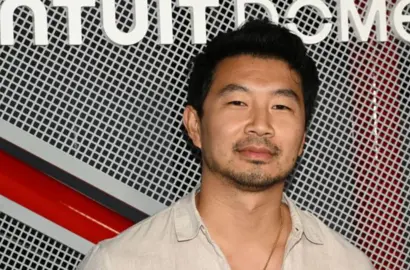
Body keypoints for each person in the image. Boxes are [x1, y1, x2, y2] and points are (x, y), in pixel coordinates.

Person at [77, 19, 374, 270]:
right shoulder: (120, 264)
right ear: (195, 126)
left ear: (302, 138)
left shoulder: (346, 264)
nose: (260, 125)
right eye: (237, 102)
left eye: (281, 106)